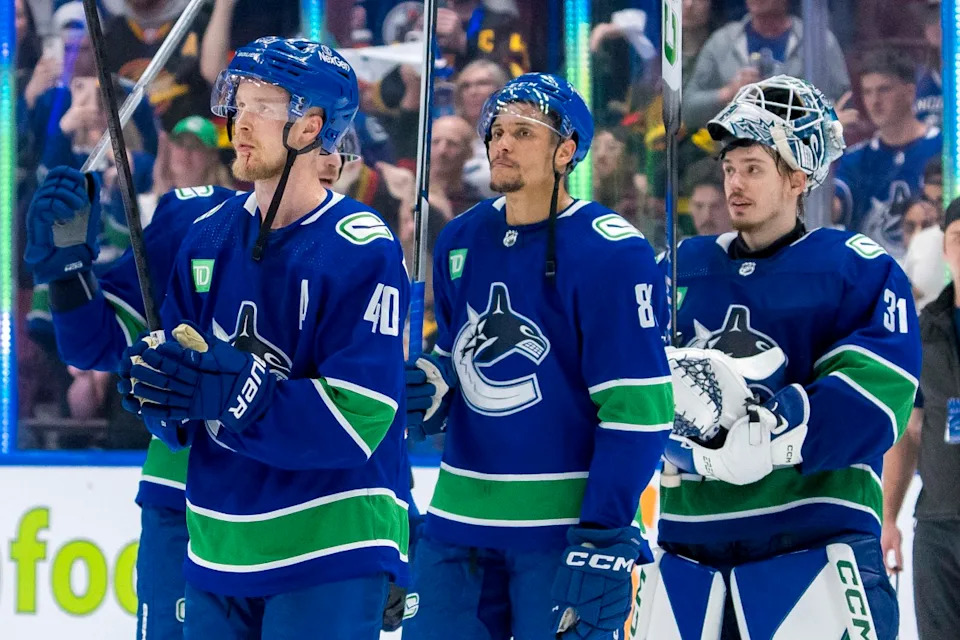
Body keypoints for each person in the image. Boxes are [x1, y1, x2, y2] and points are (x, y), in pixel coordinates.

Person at [636, 75, 920, 640]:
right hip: (692, 551)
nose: (734, 183)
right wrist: (691, 449)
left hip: (815, 540)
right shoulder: (678, 268)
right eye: (729, 168)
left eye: (754, 168)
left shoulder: (857, 266)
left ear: (798, 177)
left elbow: (880, 394)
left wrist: (777, 435)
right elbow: (632, 383)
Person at [403, 73, 673, 639]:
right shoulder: (460, 239)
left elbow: (639, 408)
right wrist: (434, 384)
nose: (500, 142)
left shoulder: (612, 252)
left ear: (566, 150)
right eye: (496, 130)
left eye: (523, 132)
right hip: (457, 522)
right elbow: (456, 355)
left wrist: (602, 530)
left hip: (563, 533)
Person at [882, 198, 960, 640]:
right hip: (937, 525)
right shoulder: (922, 331)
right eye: (958, 238)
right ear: (945, 248)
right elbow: (908, 432)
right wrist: (889, 517)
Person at [833, 49, 942, 260]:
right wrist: (823, 145)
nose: (874, 101)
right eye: (867, 92)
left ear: (910, 93)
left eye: (884, 90)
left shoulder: (943, 148)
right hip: (871, 281)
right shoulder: (856, 159)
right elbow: (829, 211)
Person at [683, 0, 849, 130]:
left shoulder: (818, 41)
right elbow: (687, 110)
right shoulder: (722, 42)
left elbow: (846, 105)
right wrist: (728, 92)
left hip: (801, 157)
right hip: (736, 159)